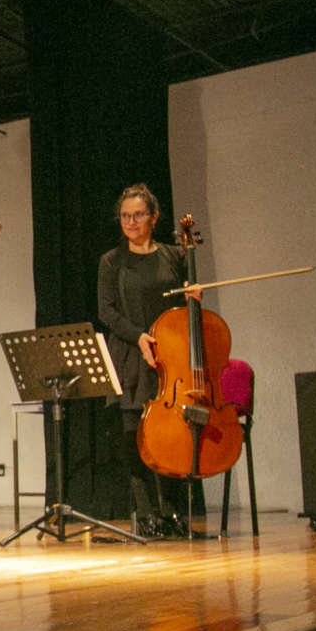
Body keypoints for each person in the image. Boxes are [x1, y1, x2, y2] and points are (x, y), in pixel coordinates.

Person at [95, 182, 197, 538]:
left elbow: (186, 305)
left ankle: (171, 511)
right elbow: (106, 311)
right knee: (133, 436)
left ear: (154, 217)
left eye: (138, 215)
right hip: (129, 352)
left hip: (169, 358)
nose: (131, 221)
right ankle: (145, 512)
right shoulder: (111, 261)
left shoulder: (174, 255)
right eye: (125, 216)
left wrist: (193, 296)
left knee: (168, 436)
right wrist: (137, 335)